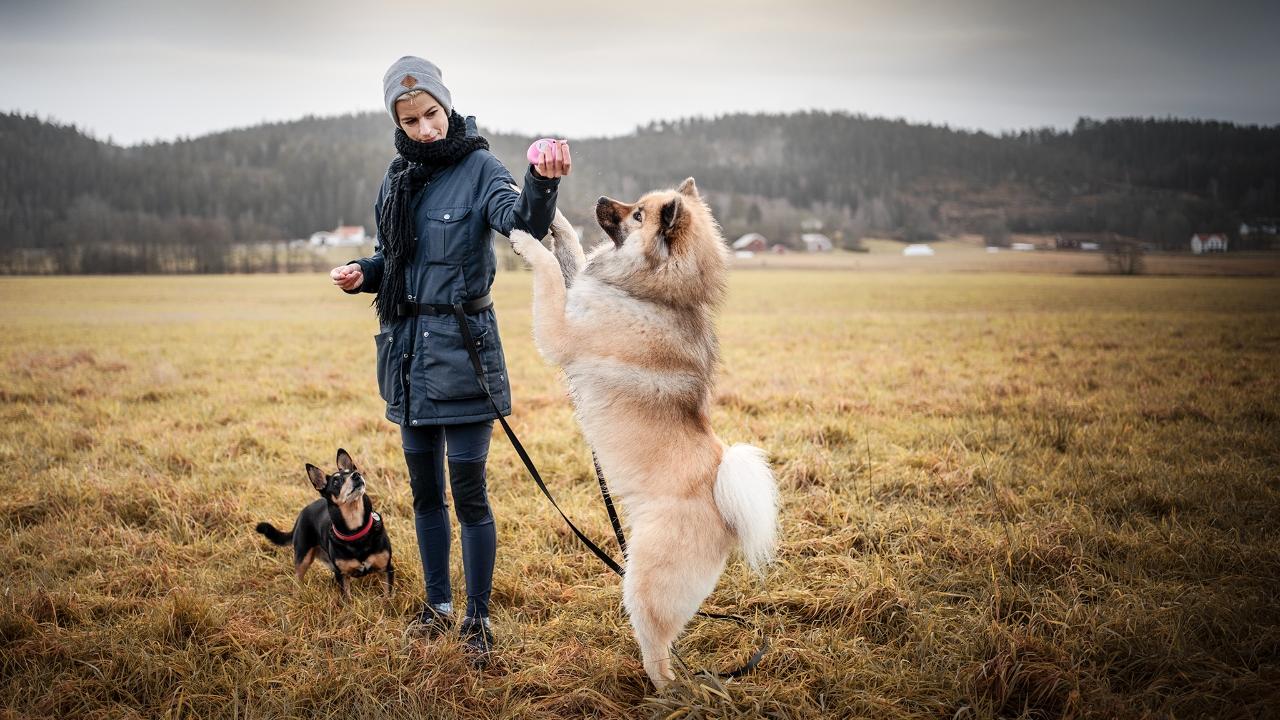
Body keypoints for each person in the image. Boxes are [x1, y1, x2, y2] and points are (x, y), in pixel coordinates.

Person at [330, 56, 571, 664]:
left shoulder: (481, 168)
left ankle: (476, 618)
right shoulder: (396, 180)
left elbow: (522, 224)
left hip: (464, 355)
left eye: (431, 114)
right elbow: (392, 258)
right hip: (408, 356)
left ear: (447, 104)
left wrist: (542, 183)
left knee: (468, 495)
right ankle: (437, 607)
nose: (425, 128)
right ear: (398, 123)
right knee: (424, 495)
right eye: (410, 121)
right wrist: (364, 273)